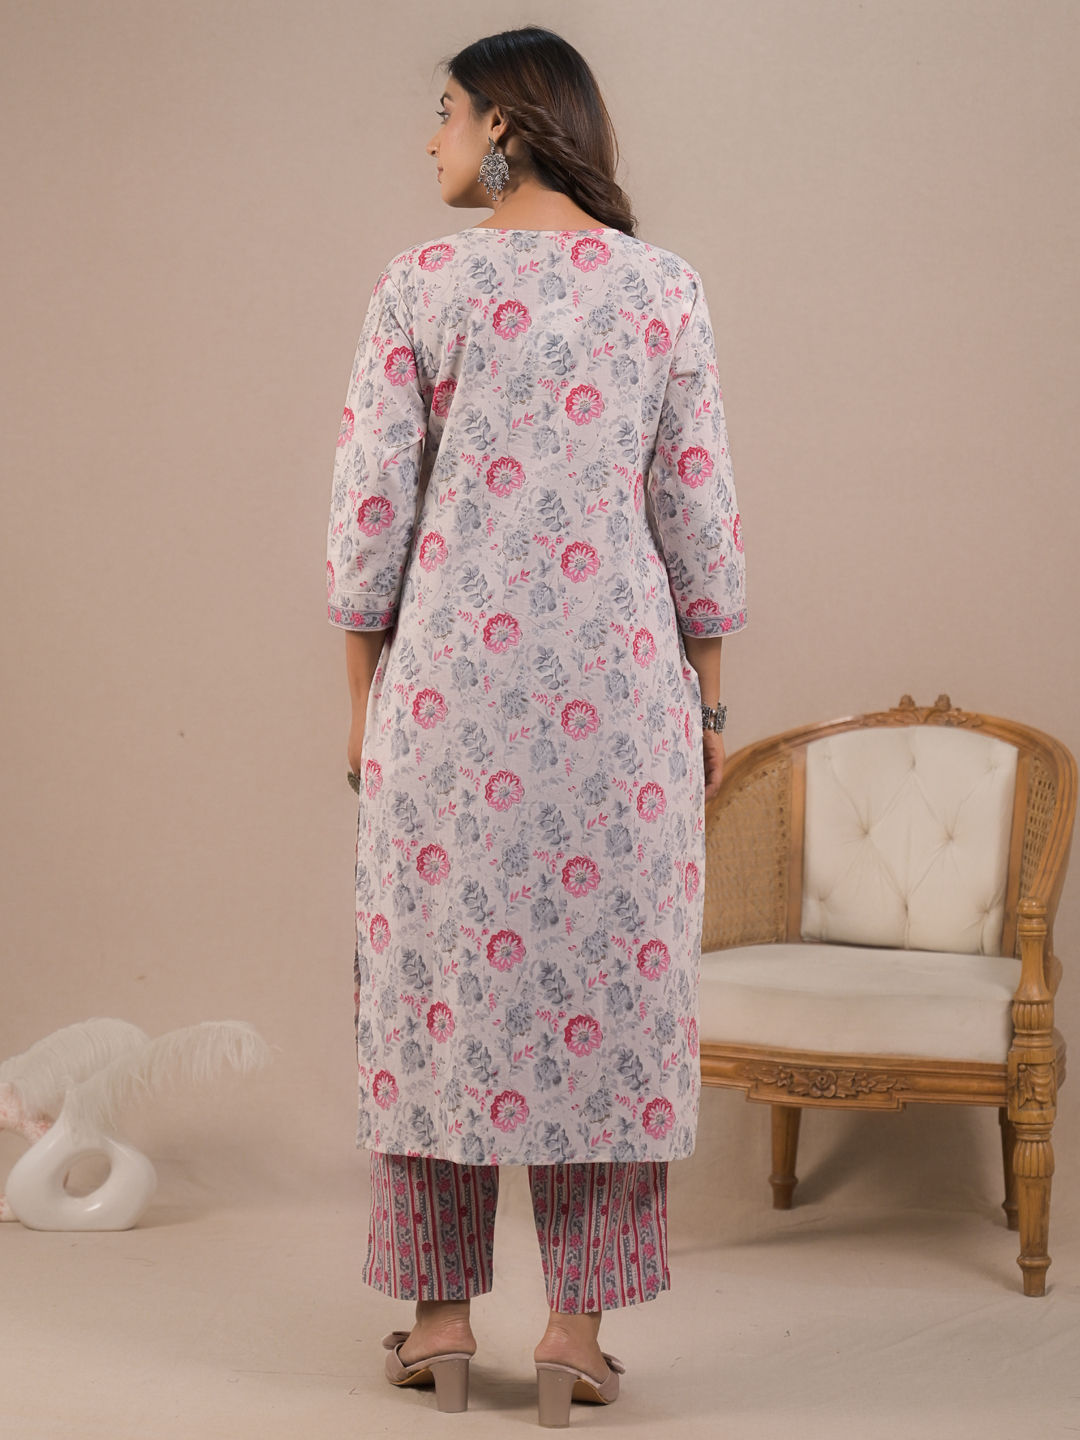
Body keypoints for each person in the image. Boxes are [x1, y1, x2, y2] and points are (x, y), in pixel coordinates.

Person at [325, 24, 747, 1426]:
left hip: (448, 704)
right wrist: (711, 706)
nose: (430, 138)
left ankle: (440, 1320)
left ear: (503, 122)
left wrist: (361, 714)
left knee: (435, 995)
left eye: (444, 111)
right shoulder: (663, 287)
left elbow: (371, 514)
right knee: (612, 1000)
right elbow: (698, 511)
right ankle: (575, 1331)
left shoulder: (420, 284)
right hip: (621, 704)